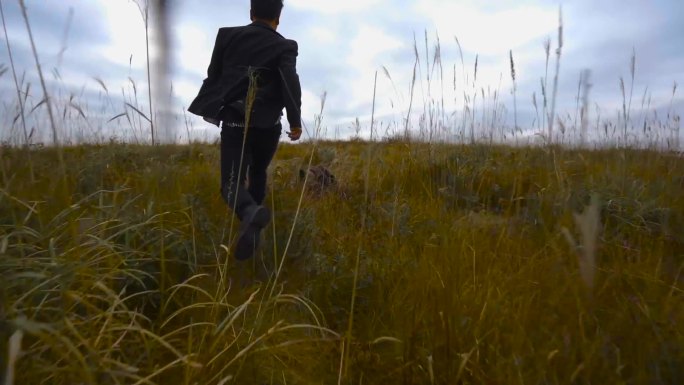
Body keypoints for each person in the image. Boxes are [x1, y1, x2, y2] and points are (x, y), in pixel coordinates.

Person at [188, 0, 303, 261]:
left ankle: (249, 212)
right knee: (258, 172)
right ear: (279, 18)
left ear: (251, 13)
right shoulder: (286, 45)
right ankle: (253, 228)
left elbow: (213, 73)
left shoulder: (227, 36)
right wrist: (295, 122)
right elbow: (290, 82)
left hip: (235, 120)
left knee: (231, 184)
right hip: (268, 125)